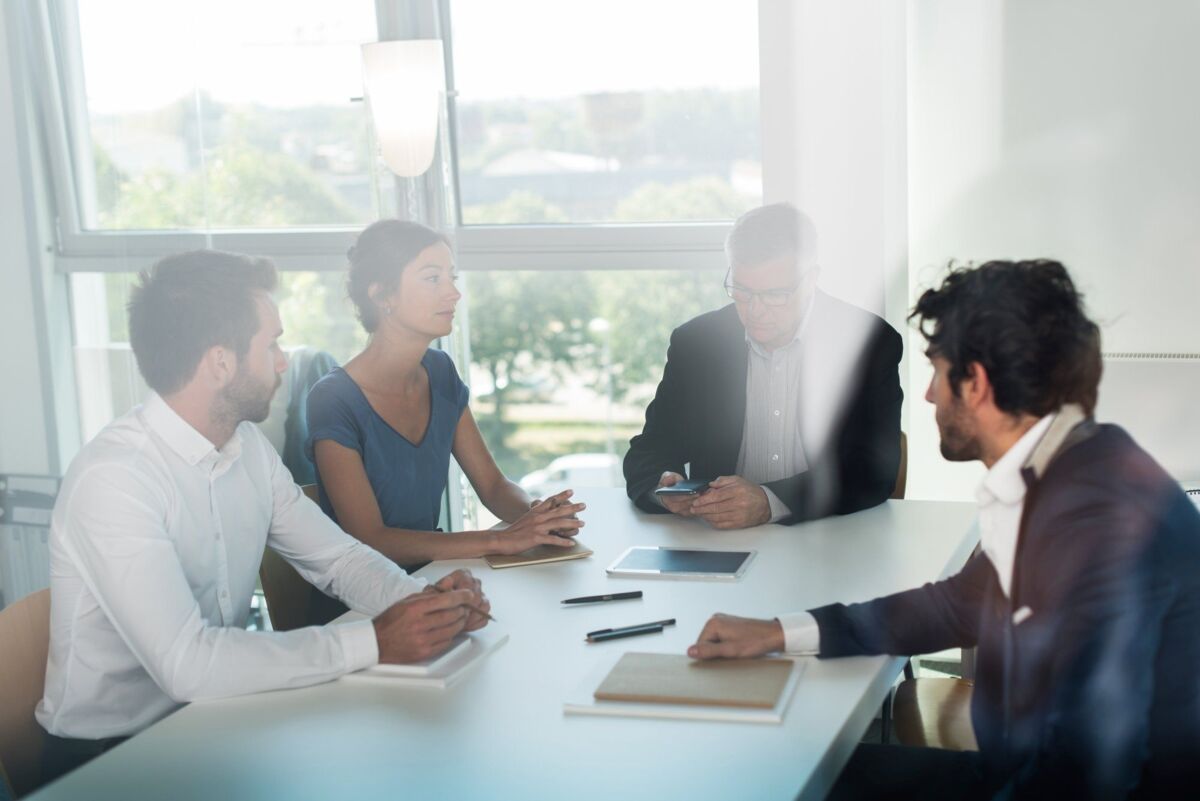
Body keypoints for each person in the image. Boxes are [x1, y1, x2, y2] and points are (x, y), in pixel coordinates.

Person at [688, 260, 1200, 799]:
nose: (929, 395)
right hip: (1013, 770)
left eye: (936, 370)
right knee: (779, 769)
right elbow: (957, 606)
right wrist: (778, 632)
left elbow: (1094, 772)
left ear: (975, 382)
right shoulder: (1069, 467)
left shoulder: (1098, 526)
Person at [36, 251, 490, 782]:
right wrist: (377, 640)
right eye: (271, 343)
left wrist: (424, 605)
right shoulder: (115, 479)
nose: (283, 361)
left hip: (214, 721)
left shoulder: (247, 447)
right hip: (108, 760)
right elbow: (189, 664)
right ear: (220, 362)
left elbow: (338, 559)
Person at [306, 220, 584, 568]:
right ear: (382, 295)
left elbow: (494, 487)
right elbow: (371, 539)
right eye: (432, 278)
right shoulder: (333, 399)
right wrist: (502, 539)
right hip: (362, 603)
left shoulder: (439, 372)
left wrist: (537, 518)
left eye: (451, 277)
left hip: (431, 580)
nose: (453, 293)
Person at [623, 202, 903, 528]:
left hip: (830, 535)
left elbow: (872, 469)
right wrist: (664, 486)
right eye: (741, 291)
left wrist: (770, 501)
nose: (754, 311)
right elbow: (648, 450)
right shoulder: (696, 343)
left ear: (811, 278)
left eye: (775, 295)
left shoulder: (866, 342)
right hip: (720, 541)